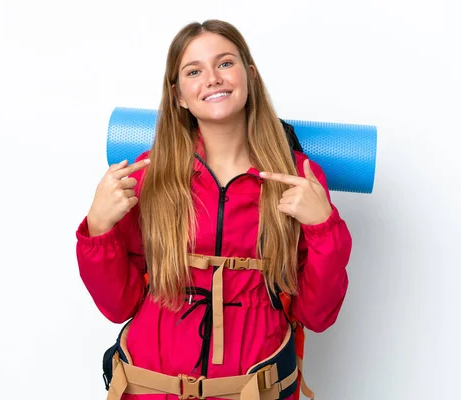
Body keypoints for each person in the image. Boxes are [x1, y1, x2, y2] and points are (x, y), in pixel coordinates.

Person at [76, 19, 352, 400]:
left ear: (249, 76)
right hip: (149, 388)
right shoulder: (148, 174)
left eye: (225, 63)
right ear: (178, 95)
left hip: (256, 389)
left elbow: (318, 315)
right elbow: (117, 305)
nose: (212, 78)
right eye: (194, 71)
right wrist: (98, 227)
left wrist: (324, 227)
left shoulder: (298, 176)